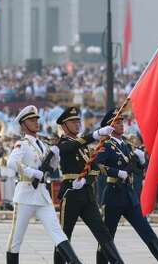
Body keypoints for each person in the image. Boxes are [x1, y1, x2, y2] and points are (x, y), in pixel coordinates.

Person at [95, 109, 158, 264]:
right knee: (107, 236)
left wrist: (142, 162)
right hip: (114, 194)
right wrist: (116, 172)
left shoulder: (127, 146)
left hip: (129, 194)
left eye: (122, 121)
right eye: (117, 122)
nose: (121, 124)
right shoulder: (105, 145)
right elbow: (97, 166)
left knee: (146, 230)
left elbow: (136, 169)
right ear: (109, 126)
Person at [5, 105, 82, 264]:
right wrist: (32, 172)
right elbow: (11, 163)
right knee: (16, 241)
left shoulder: (43, 144)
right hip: (25, 195)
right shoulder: (22, 144)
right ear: (23, 124)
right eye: (31, 120)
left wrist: (54, 159)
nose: (36, 122)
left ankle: (75, 262)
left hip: (42, 195)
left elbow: (50, 168)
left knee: (58, 233)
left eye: (36, 119)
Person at [52, 106, 124, 264]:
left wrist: (89, 179)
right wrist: (96, 134)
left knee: (102, 231)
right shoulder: (62, 143)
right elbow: (70, 147)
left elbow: (95, 167)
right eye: (73, 122)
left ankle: (118, 262)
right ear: (64, 126)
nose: (77, 124)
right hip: (71, 194)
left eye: (78, 121)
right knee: (64, 236)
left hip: (87, 194)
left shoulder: (83, 146)